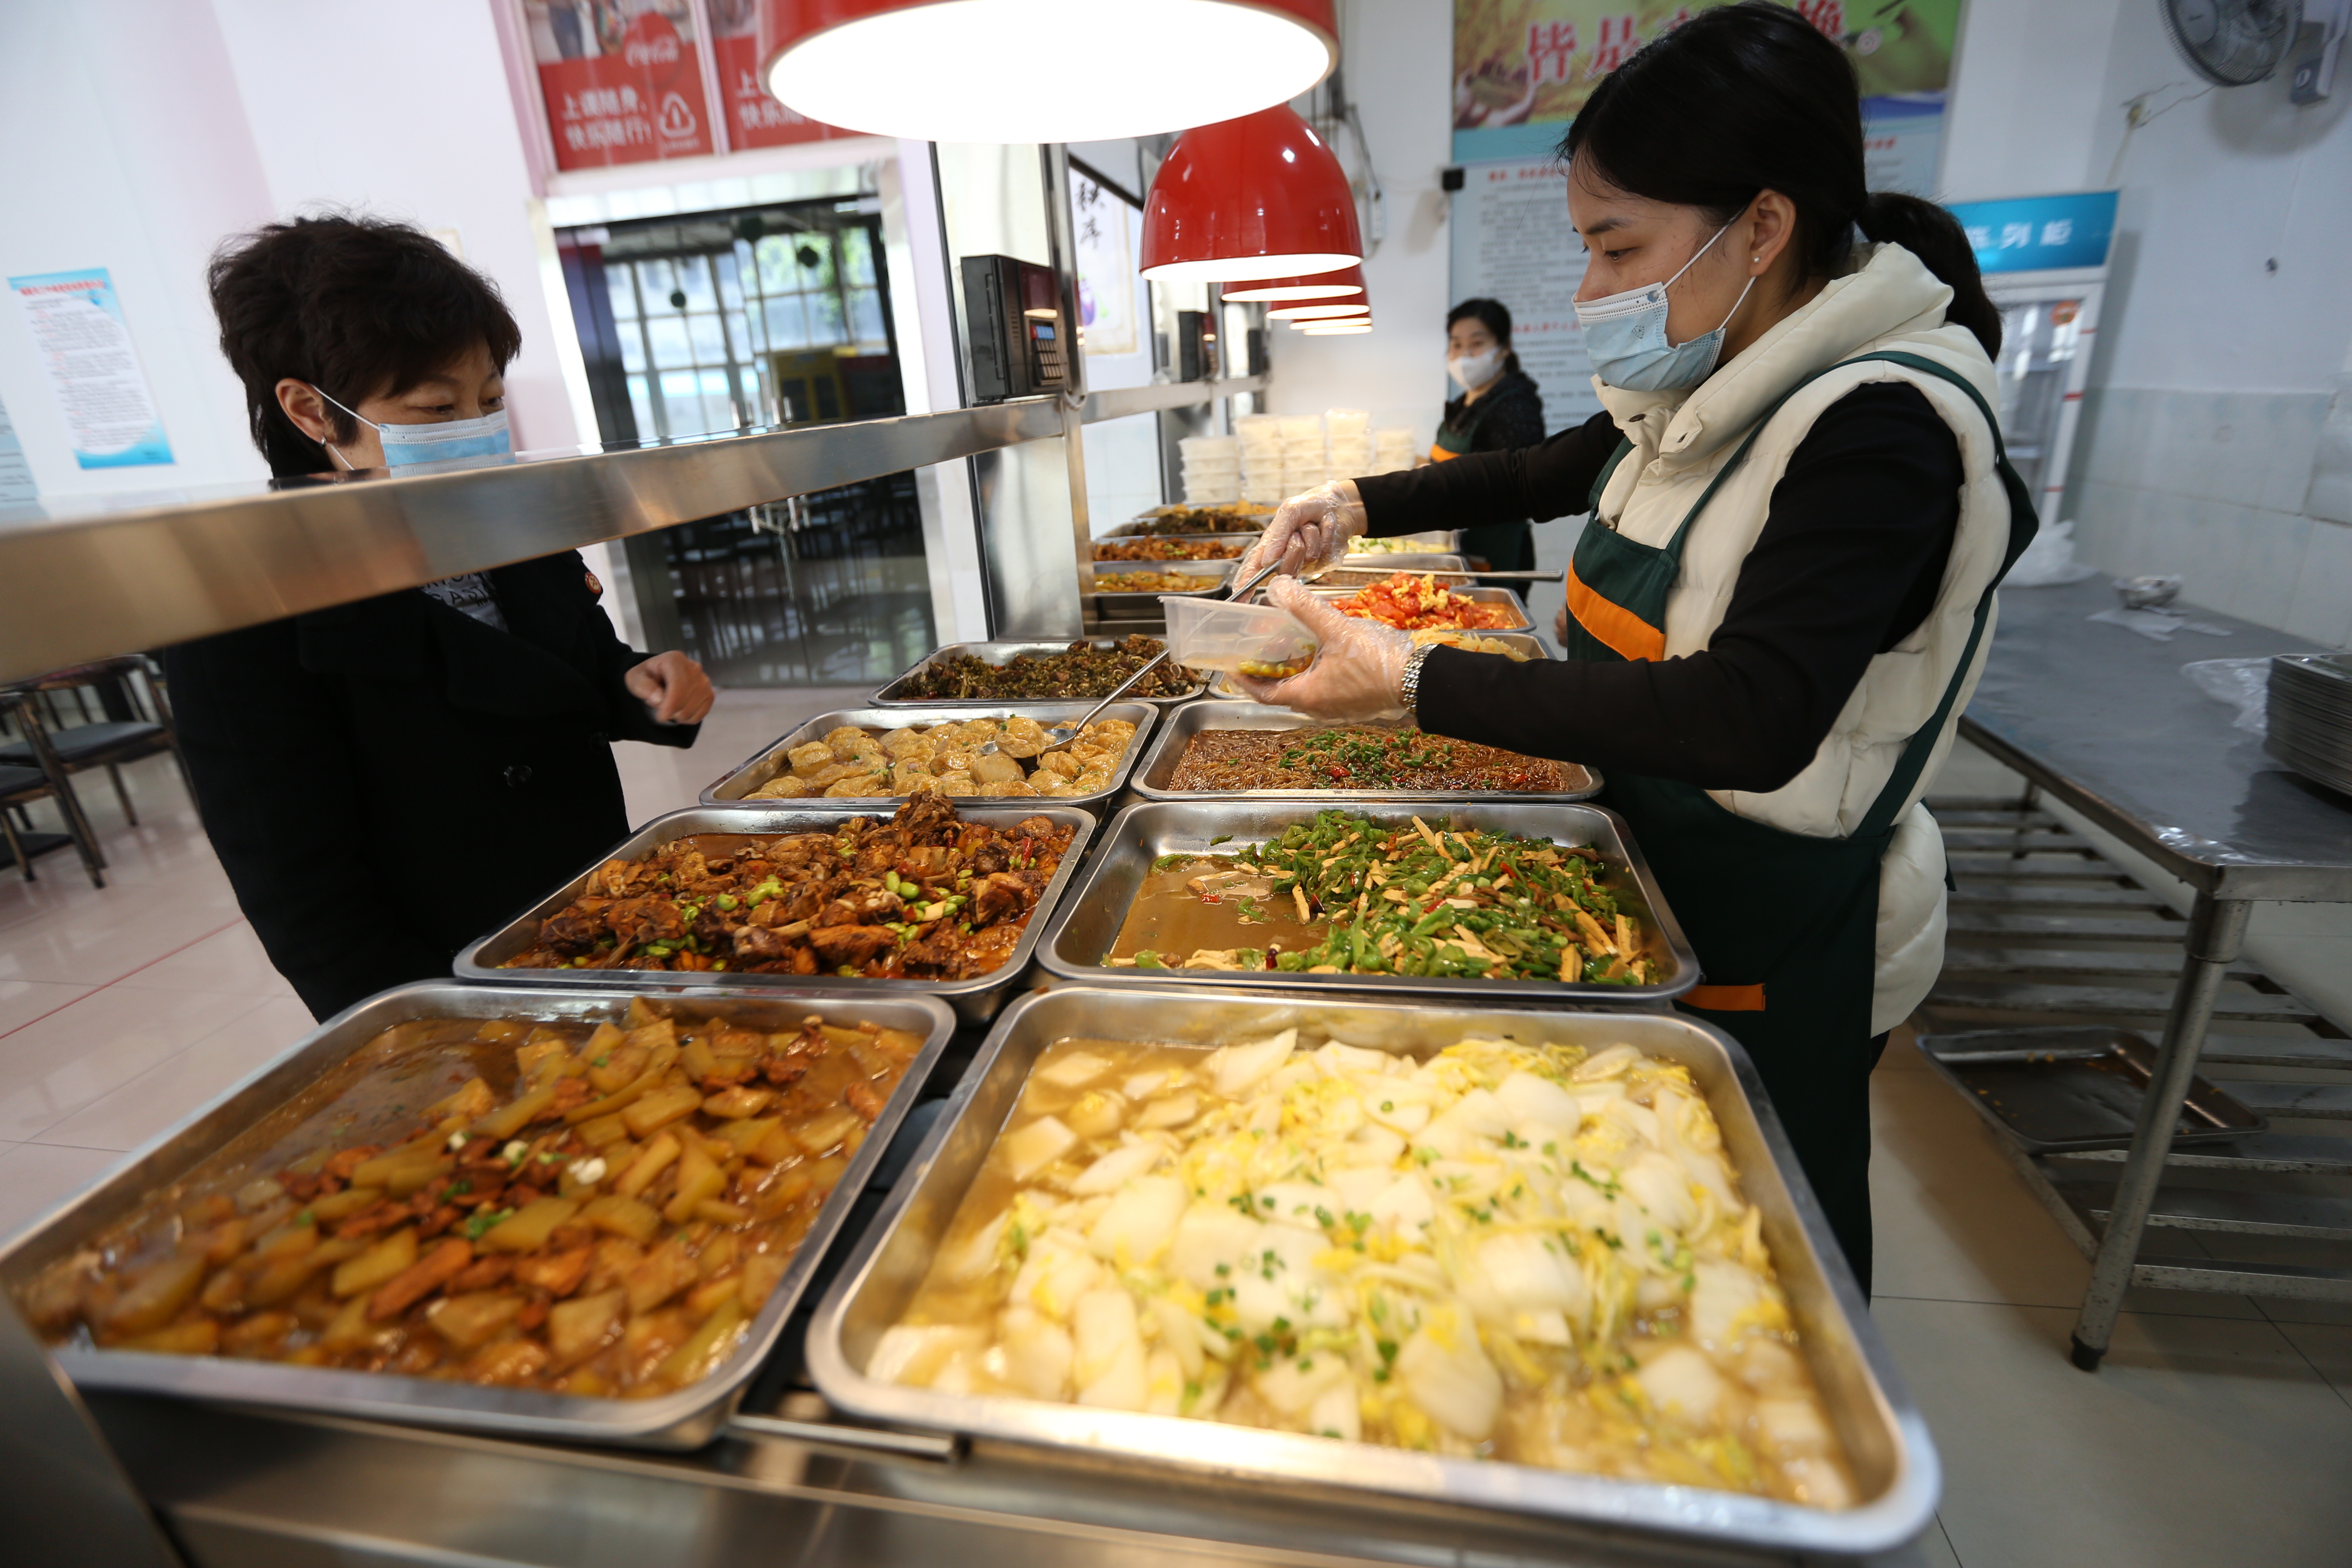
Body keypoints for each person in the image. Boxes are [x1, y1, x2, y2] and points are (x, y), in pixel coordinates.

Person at [1231, 3, 2034, 1292]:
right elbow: (1546, 468)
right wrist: (1353, 505)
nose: (1592, 291)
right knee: (1614, 1226)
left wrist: (1412, 676)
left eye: (1617, 247)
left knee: (1747, 1259)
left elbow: (1750, 716)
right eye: (1586, 249)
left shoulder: (1879, 429)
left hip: (1758, 918)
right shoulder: (1723, 375)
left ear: (1761, 226)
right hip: (1636, 860)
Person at [164, 215, 714, 1021]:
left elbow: (578, 666)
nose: (475, 428)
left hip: (602, 910)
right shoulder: (248, 606)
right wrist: (427, 1030)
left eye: (489, 400)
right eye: (435, 407)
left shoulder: (503, 520)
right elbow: (303, 896)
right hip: (457, 976)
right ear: (311, 411)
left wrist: (640, 682)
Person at [1434, 298, 1545, 573]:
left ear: (1504, 347)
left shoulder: (1515, 407)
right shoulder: (1464, 404)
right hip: (1459, 540)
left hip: (1494, 549)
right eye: (1456, 345)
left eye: (1477, 343)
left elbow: (1515, 484)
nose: (1464, 355)